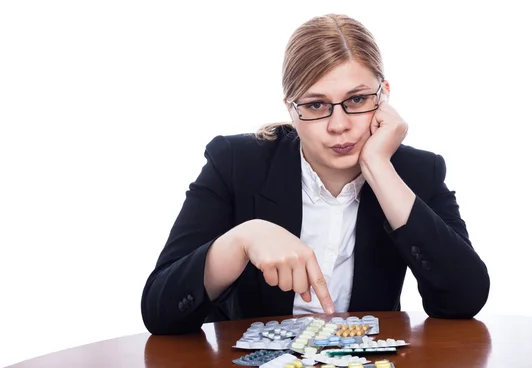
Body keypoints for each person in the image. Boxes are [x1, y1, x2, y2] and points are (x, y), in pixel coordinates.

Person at [141, 14, 490, 335]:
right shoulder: (235, 163)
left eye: (356, 100)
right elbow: (159, 310)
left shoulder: (417, 172)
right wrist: (239, 241)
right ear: (291, 111)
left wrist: (379, 168)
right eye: (316, 105)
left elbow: (464, 300)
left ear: (383, 96)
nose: (339, 126)